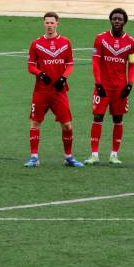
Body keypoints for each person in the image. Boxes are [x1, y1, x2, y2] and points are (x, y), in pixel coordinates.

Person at [24, 12, 81, 168]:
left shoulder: (65, 42)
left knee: (67, 125)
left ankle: (68, 157)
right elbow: (30, 66)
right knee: (35, 123)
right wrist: (40, 74)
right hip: (41, 91)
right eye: (47, 22)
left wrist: (64, 77)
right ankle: (34, 157)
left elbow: (69, 64)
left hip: (59, 91)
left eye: (52, 22)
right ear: (43, 24)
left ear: (57, 24)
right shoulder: (36, 44)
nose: (49, 25)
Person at [89, 8, 134, 165]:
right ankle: (94, 154)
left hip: (120, 88)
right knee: (98, 117)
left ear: (124, 22)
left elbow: (132, 65)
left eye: (120, 19)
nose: (117, 21)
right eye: (114, 18)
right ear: (110, 20)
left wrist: (129, 84)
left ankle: (114, 154)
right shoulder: (100, 38)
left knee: (118, 118)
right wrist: (98, 82)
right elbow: (95, 61)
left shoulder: (131, 42)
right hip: (103, 86)